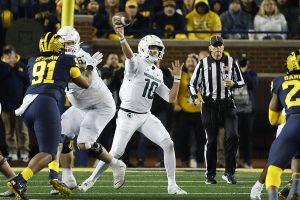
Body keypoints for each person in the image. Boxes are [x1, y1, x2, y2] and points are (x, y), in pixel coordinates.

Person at [78, 20, 187, 195]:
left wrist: (176, 79)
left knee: (169, 144)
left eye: (158, 49)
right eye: (153, 48)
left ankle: (172, 185)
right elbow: (129, 56)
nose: (156, 51)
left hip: (145, 115)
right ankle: (90, 180)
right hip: (127, 116)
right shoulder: (135, 62)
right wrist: (122, 38)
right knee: (115, 153)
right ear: (144, 47)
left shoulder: (158, 72)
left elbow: (170, 98)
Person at [6, 32, 92, 200]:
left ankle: (54, 175)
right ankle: (20, 180)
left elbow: (53, 73)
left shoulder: (32, 61)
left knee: (54, 143)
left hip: (28, 105)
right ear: (58, 46)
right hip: (46, 103)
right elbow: (85, 83)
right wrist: (89, 68)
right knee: (48, 152)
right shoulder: (67, 60)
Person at [48, 26, 126, 194]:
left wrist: (89, 67)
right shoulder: (57, 58)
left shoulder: (82, 57)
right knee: (61, 136)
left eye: (70, 43)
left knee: (83, 144)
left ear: (76, 43)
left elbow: (85, 81)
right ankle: (68, 179)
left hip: (101, 106)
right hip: (80, 107)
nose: (67, 46)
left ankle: (115, 164)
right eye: (64, 43)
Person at [188, 35, 245, 185]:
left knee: (233, 136)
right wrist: (195, 97)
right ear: (210, 48)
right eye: (215, 46)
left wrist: (233, 83)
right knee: (212, 141)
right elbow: (192, 84)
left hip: (227, 105)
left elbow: (241, 81)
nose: (218, 49)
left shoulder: (231, 61)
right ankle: (210, 175)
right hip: (209, 106)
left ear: (223, 48)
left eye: (220, 46)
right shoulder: (202, 63)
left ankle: (229, 173)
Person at [263, 50, 300, 200]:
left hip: (294, 121)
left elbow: (273, 119)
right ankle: (296, 186)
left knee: (273, 167)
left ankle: (273, 198)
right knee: (298, 154)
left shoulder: (280, 80)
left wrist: (285, 120)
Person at [173, 53, 206, 167]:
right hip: (184, 112)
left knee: (201, 139)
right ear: (186, 63)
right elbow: (175, 91)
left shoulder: (203, 75)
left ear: (197, 63)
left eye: (193, 61)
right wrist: (175, 104)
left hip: (199, 113)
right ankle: (185, 160)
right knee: (183, 138)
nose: (191, 63)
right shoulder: (181, 75)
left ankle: (201, 161)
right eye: (189, 61)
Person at [0, 45, 30, 162]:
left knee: (22, 131)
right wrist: (7, 66)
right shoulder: (1, 67)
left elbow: (28, 85)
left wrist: (26, 103)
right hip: (6, 106)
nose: (8, 55)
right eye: (6, 53)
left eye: (10, 52)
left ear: (14, 53)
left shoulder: (22, 66)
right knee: (9, 131)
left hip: (20, 106)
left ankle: (24, 152)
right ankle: (12, 152)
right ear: (3, 55)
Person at [234, 52, 258, 169]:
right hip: (235, 112)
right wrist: (239, 71)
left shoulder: (252, 74)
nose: (242, 63)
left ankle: (248, 162)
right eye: (240, 61)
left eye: (244, 61)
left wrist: (244, 72)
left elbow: (253, 85)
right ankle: (235, 161)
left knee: (247, 138)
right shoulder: (233, 74)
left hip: (248, 112)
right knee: (234, 138)